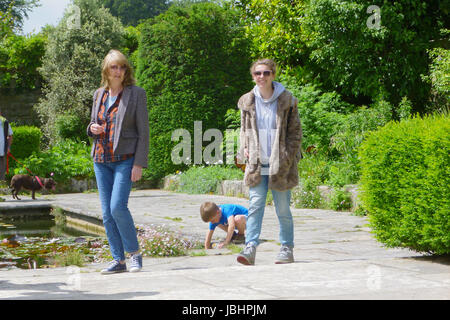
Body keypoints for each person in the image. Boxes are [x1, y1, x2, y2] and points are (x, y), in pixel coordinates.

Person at [87, 49, 149, 274]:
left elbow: (144, 131)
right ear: (106, 69)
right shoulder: (98, 94)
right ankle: (118, 259)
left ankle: (134, 255)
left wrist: (139, 163)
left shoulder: (136, 94)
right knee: (106, 213)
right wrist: (91, 128)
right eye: (114, 67)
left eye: (122, 67)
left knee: (117, 207)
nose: (118, 71)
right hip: (101, 159)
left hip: (125, 159)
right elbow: (93, 123)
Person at [236, 58, 302, 265]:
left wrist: (286, 157)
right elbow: (244, 130)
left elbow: (295, 134)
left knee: (282, 208)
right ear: (252, 76)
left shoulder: (287, 100)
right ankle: (250, 248)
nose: (261, 77)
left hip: (280, 165)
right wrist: (245, 148)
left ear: (273, 74)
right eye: (257, 73)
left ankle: (286, 248)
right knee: (255, 206)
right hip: (257, 163)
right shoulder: (247, 101)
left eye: (265, 73)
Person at [0, 110, 13, 181]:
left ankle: (1, 185)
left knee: (2, 170)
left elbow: (10, 136)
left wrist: (8, 147)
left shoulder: (5, 122)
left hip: (2, 150)